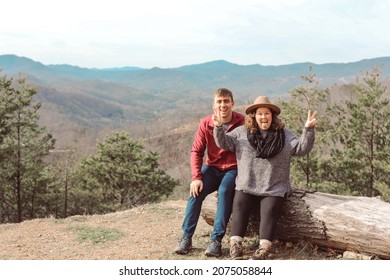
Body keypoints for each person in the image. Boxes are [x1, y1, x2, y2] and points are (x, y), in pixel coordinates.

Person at [212, 95, 316, 260]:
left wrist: (308, 129)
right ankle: (235, 245)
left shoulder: (285, 135)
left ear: (272, 116)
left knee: (270, 211)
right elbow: (224, 142)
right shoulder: (241, 133)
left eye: (266, 113)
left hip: (273, 187)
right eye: (259, 113)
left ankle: (264, 248)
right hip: (247, 184)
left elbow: (301, 149)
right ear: (254, 116)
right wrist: (218, 127)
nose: (263, 117)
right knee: (239, 205)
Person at [174, 88, 245, 257]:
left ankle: (216, 241)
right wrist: (196, 177)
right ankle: (186, 237)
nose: (223, 105)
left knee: (225, 191)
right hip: (212, 168)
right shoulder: (206, 123)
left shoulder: (242, 122)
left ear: (232, 103)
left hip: (233, 168)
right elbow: (196, 151)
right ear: (214, 105)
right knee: (195, 192)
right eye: (219, 102)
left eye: (226, 101)